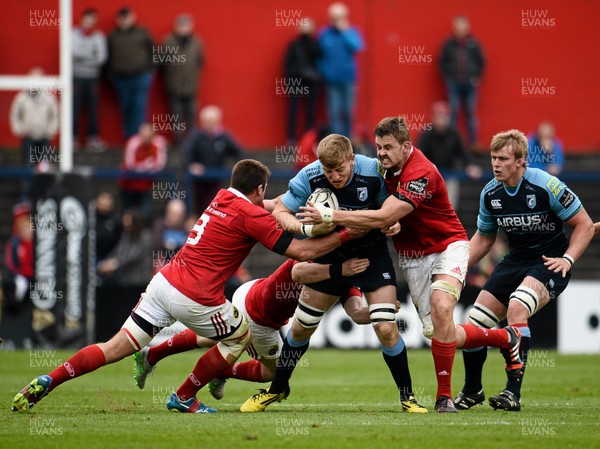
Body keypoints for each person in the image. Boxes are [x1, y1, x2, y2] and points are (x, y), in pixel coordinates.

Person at [12, 159, 361, 414]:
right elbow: (302, 251)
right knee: (239, 335)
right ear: (258, 189)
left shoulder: (222, 197)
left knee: (114, 347)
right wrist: (349, 230)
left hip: (163, 282)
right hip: (195, 295)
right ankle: (183, 396)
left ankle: (49, 379)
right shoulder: (251, 214)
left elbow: (272, 209)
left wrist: (301, 202)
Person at [300, 118, 523, 413]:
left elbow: (381, 216)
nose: (381, 153)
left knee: (443, 306)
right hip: (412, 257)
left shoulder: (421, 173)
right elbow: (373, 205)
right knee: (440, 332)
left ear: (406, 146)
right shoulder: (380, 169)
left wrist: (331, 216)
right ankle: (505, 338)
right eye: (378, 147)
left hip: (448, 245)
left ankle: (444, 398)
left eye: (388, 147)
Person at [241, 134, 428, 414]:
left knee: (386, 326)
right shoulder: (310, 175)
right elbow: (280, 211)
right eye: (329, 171)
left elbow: (390, 210)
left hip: (371, 254)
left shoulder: (374, 171)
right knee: (302, 326)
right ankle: (275, 390)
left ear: (352, 160)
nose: (335, 176)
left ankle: (408, 398)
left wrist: (394, 225)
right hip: (329, 253)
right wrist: (304, 229)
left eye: (340, 169)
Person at [451, 129, 594, 411]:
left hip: (548, 262)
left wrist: (567, 259)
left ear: (521, 162)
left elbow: (585, 224)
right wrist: (456, 266)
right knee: (474, 322)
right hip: (514, 261)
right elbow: (484, 237)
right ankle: (472, 390)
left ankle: (512, 394)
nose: (495, 164)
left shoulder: (545, 185)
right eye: (493, 158)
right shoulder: (490, 192)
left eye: (503, 158)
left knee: (517, 307)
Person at [132, 258, 374, 395]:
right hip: (259, 318)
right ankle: (222, 371)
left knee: (211, 338)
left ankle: (152, 354)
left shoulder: (344, 278)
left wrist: (379, 311)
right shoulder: (316, 261)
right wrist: (337, 270)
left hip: (249, 290)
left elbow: (357, 314)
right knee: (276, 377)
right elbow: (298, 273)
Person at [417, 101, 482, 207]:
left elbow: (462, 152)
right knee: (430, 206)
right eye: (438, 115)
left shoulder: (453, 133)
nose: (441, 119)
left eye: (443, 115)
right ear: (433, 117)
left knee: (450, 205)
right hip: (430, 176)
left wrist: (470, 166)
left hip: (450, 175)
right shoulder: (426, 134)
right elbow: (419, 153)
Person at [185, 105, 245, 214]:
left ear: (217, 120)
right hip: (198, 181)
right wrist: (192, 165)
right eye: (206, 120)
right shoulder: (196, 137)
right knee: (199, 209)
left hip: (216, 181)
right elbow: (187, 154)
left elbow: (240, 153)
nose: (209, 123)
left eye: (211, 120)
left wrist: (237, 168)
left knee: (214, 206)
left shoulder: (224, 137)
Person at [9, 67, 59, 193]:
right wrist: (20, 130)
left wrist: (50, 131)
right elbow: (14, 115)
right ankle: (26, 195)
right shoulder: (21, 97)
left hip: (44, 138)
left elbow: (56, 115)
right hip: (28, 138)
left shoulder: (49, 97)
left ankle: (46, 193)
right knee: (27, 166)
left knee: (46, 167)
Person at [318, 3, 364, 138]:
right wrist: (324, 72)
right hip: (332, 81)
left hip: (349, 79)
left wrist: (345, 31)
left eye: (340, 17)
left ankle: (348, 140)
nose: (337, 20)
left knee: (348, 112)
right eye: (334, 17)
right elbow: (319, 55)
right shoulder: (324, 34)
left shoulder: (351, 32)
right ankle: (337, 141)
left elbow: (357, 46)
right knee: (334, 112)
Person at [107, 7, 154, 139]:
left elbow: (153, 51)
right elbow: (108, 57)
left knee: (139, 107)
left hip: (141, 76)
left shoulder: (142, 33)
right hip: (121, 78)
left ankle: (138, 138)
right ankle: (129, 138)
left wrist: (150, 71)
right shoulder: (113, 35)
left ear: (132, 18)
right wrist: (111, 75)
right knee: (126, 107)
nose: (124, 21)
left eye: (127, 17)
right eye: (121, 18)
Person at [439, 15, 485, 148]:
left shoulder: (473, 44)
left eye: (463, 27)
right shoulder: (448, 45)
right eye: (458, 27)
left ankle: (473, 142)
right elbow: (442, 63)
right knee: (453, 112)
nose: (461, 30)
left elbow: (481, 62)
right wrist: (448, 77)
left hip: (470, 83)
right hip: (453, 83)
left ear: (467, 29)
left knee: (470, 112)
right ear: (454, 29)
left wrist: (476, 77)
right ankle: (452, 142)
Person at [161, 14, 204, 147]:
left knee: (191, 116)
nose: (183, 29)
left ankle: (191, 143)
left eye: (186, 26)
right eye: (180, 26)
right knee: (176, 117)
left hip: (191, 86)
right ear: (176, 27)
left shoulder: (197, 41)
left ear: (191, 27)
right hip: (174, 86)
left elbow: (200, 61)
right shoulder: (167, 41)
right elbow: (161, 63)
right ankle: (179, 142)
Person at [72, 7, 107, 151]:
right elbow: (72, 54)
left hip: (93, 77)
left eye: (92, 21)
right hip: (76, 77)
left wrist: (82, 58)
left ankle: (92, 138)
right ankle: (72, 139)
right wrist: (90, 56)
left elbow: (101, 58)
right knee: (74, 108)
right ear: (81, 20)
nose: (89, 23)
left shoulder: (99, 36)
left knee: (93, 109)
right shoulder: (72, 34)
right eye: (87, 20)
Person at [118, 122, 167, 220]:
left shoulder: (158, 143)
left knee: (145, 213)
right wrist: (147, 165)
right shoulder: (133, 142)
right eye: (144, 134)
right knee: (128, 213)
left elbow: (159, 165)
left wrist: (142, 166)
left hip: (145, 185)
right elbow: (130, 164)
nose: (146, 138)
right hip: (128, 184)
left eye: (149, 135)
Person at [284, 18, 320, 145]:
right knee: (293, 110)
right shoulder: (294, 44)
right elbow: (287, 64)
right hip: (296, 81)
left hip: (311, 82)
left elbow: (319, 62)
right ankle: (291, 139)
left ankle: (308, 139)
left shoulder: (315, 44)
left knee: (311, 111)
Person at [97, 208, 153, 287]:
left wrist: (113, 264)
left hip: (139, 282)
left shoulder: (146, 237)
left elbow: (132, 256)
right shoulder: (126, 235)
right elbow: (117, 252)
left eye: (127, 220)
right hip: (124, 281)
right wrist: (105, 262)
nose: (124, 222)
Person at [1, 202, 33, 313]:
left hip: (32, 277)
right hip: (19, 276)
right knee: (18, 285)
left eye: (29, 228)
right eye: (24, 229)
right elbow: (10, 262)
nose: (27, 232)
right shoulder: (15, 243)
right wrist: (18, 273)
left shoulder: (34, 244)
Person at [151, 198, 188, 273]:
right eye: (174, 215)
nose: (177, 218)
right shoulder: (160, 226)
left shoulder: (186, 229)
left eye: (180, 216)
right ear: (168, 213)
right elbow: (156, 243)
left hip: (180, 267)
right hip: (162, 265)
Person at [95, 191, 122, 262]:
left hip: (110, 259)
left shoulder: (116, 221)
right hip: (93, 257)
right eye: (103, 199)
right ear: (96, 202)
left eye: (108, 199)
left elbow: (120, 242)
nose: (105, 202)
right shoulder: (90, 220)